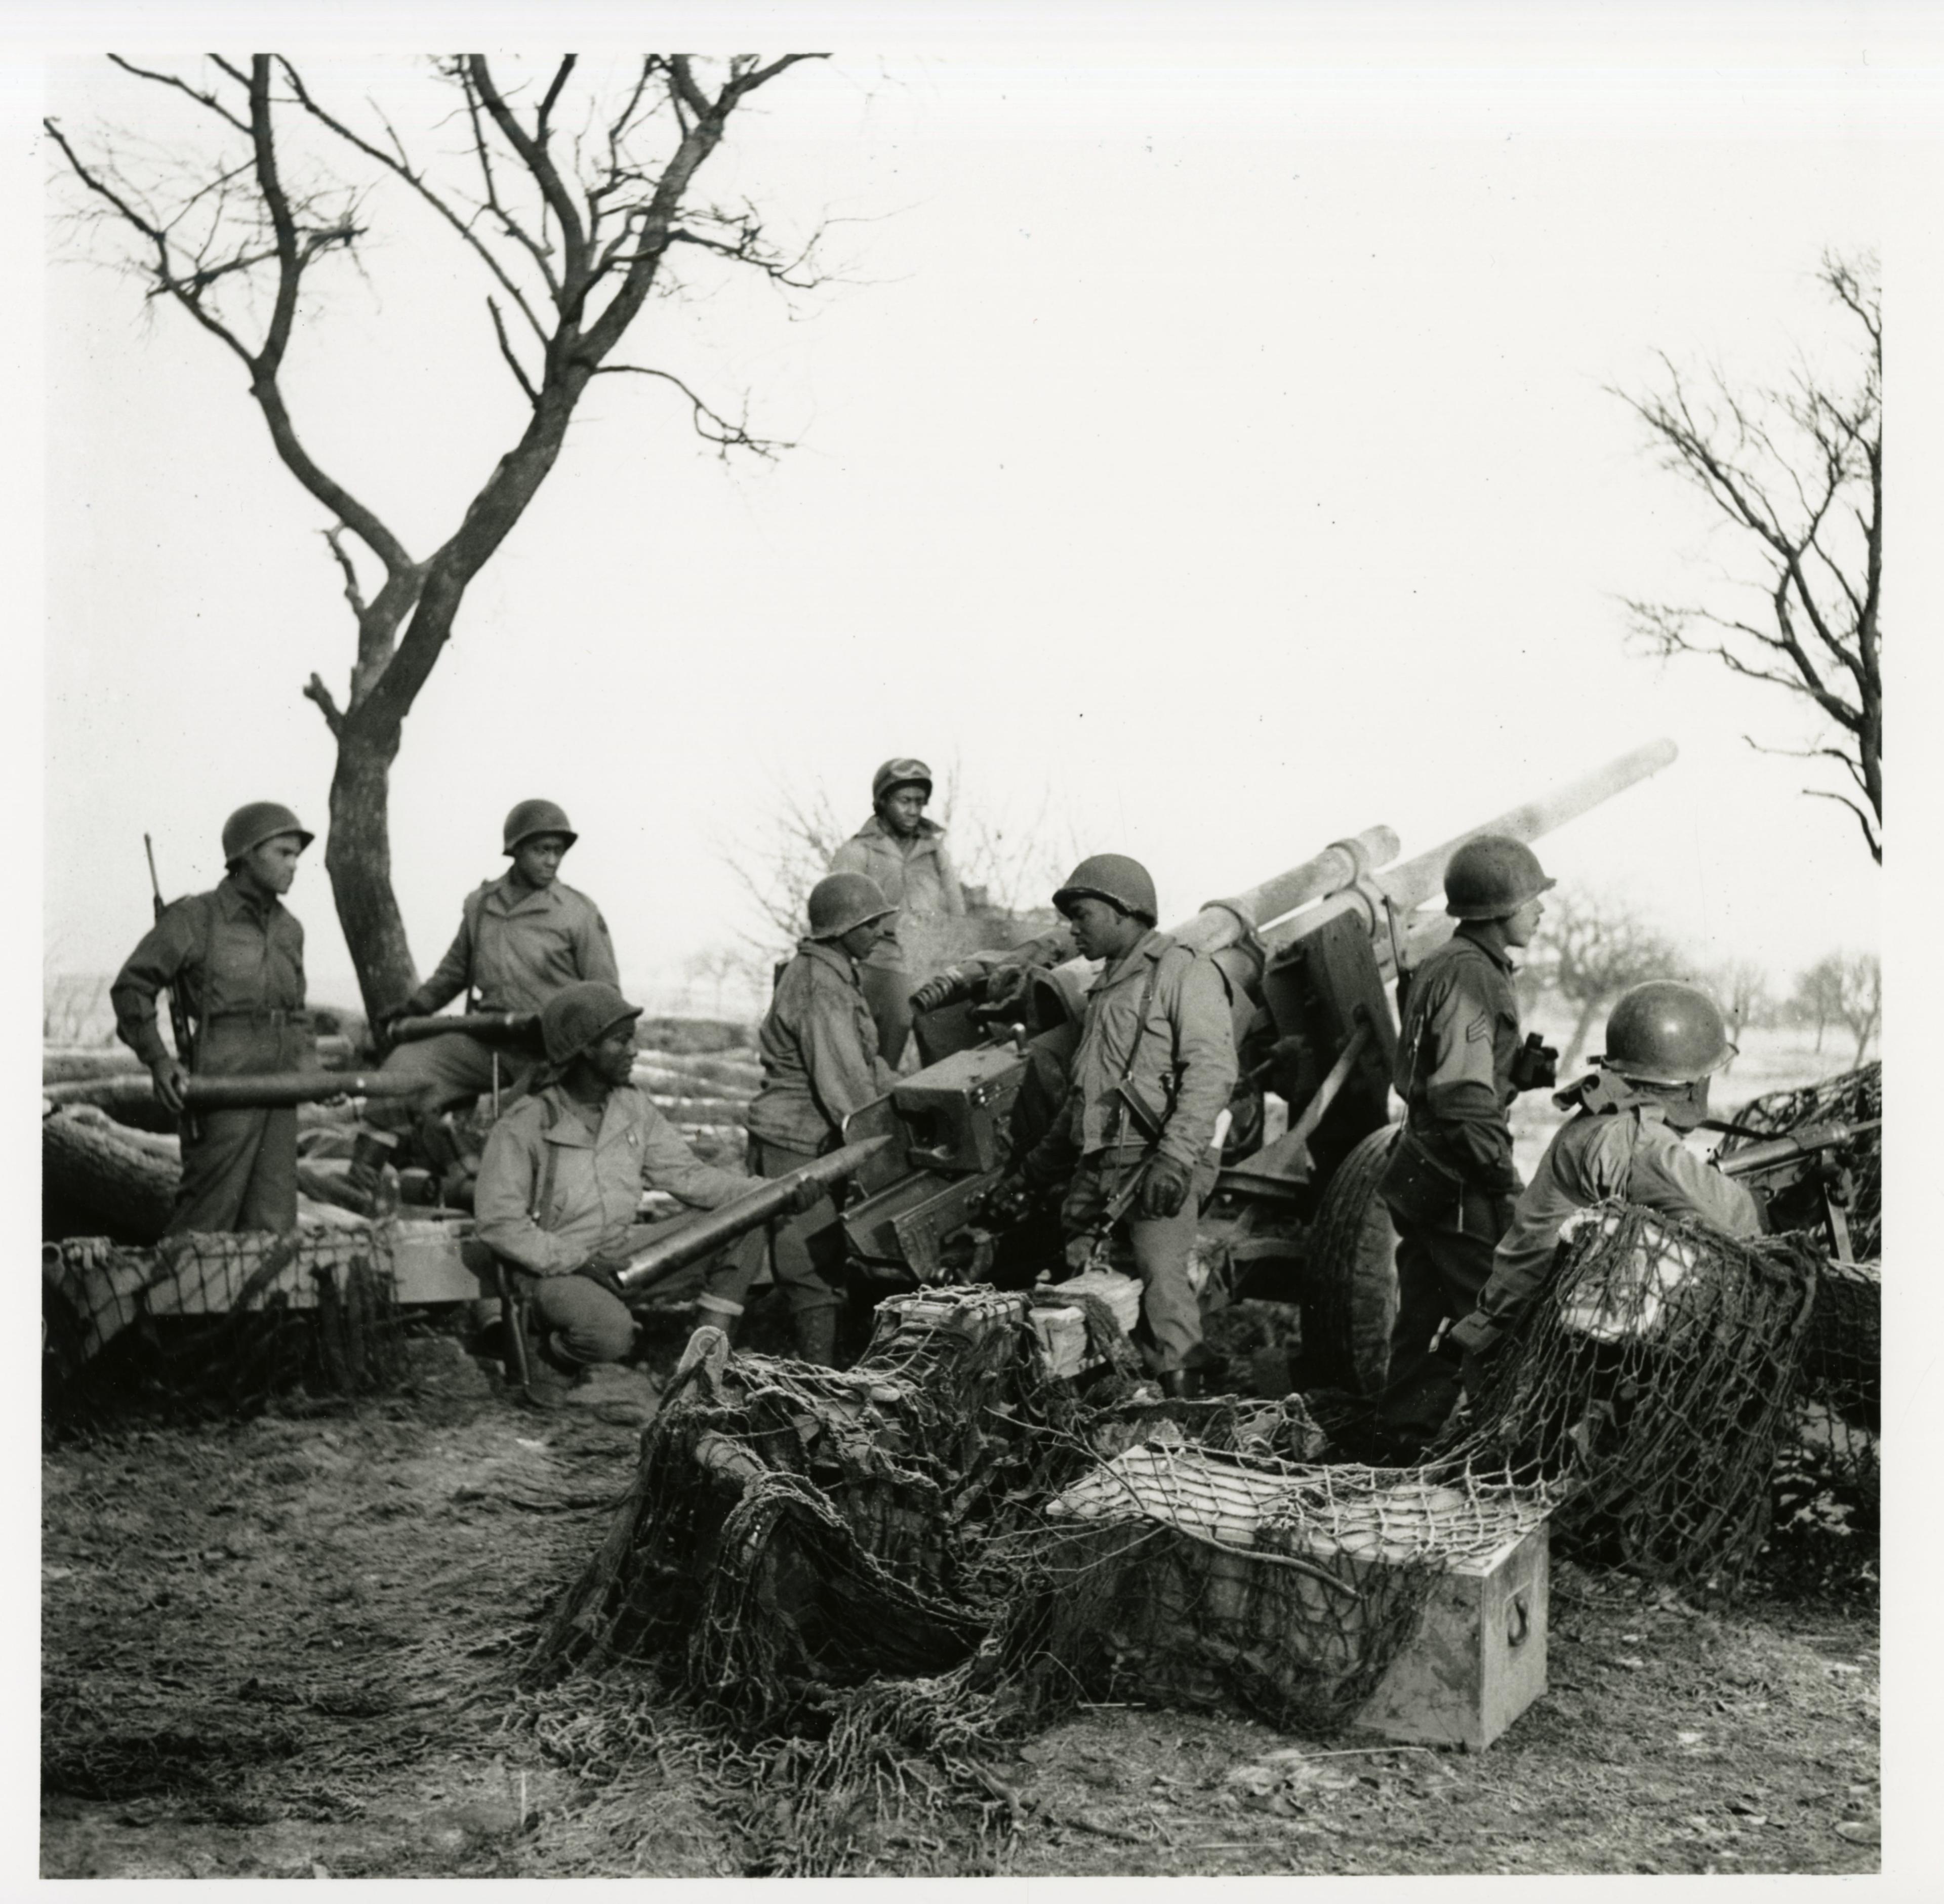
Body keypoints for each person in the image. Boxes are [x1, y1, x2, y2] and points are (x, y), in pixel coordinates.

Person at [1012, 855, 1239, 1396]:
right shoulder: (1106, 988)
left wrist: (1177, 1157)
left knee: (1163, 1281)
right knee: (1080, 1285)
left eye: (1082, 913)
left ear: (1124, 911)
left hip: (1153, 1160)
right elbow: (1083, 1098)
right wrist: (1032, 1170)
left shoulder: (1185, 970)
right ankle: (1112, 1406)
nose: (1073, 927)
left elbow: (1212, 1070)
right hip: (1101, 1165)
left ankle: (1186, 1417)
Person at [1444, 981, 1763, 1364]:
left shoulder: (1605, 1115)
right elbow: (1737, 1220)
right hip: (1529, 1354)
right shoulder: (1635, 1139)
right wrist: (1781, 1204)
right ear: (1693, 1086)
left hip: (1514, 1330)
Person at [473, 981, 776, 1384]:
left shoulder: (632, 1109)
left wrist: (770, 1192)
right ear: (584, 1050)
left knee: (744, 1222)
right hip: (552, 1272)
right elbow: (499, 1224)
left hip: (618, 1257)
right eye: (620, 1041)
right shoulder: (526, 1123)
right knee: (610, 1335)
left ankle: (700, 1369)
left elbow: (687, 1176)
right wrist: (581, 1260)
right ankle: (549, 1354)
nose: (633, 1051)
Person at [1373, 834, 1557, 1455]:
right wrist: (1504, 1181)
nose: (1541, 909)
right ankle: (1510, 1451)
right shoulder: (1475, 976)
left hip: (1424, 1169)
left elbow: (1451, 1072)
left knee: (1424, 1311)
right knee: (1501, 1309)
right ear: (1496, 906)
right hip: (1458, 1177)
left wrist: (1513, 1072)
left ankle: (1403, 1436)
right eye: (1531, 898)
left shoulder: (1450, 962)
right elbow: (1461, 1096)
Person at [346, 799, 618, 1209]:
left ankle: (489, 1191)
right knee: (403, 1068)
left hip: (552, 1053)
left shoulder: (577, 914)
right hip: (488, 1040)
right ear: (515, 850)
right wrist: (415, 1007)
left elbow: (605, 997)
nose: (551, 861)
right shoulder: (481, 905)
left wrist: (583, 1055)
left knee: (515, 1125)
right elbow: (455, 970)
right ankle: (359, 1185)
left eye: (557, 851)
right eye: (540, 850)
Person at [695, 872, 900, 1365]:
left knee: (743, 1251)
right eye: (870, 924)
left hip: (783, 1134)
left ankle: (699, 1366)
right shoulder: (822, 985)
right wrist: (884, 1145)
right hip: (798, 1143)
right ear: (841, 927)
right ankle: (818, 1382)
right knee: (810, 1259)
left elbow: (867, 1064)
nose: (879, 933)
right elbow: (846, 1085)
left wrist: (907, 1090)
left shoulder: (828, 973)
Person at [111, 802, 318, 1235]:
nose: (294, 864)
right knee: (207, 1219)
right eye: (283, 852)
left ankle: (265, 1305)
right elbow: (132, 987)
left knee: (274, 1226)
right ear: (246, 855)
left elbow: (297, 1012)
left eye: (297, 854)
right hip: (222, 1081)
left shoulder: (290, 929)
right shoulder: (196, 919)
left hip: (281, 1087)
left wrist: (312, 1072)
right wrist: (159, 1059)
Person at [828, 757, 965, 1065]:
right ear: (883, 801)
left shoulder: (934, 853)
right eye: (905, 801)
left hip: (931, 961)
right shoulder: (858, 851)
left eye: (920, 802)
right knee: (881, 1050)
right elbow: (836, 915)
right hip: (878, 960)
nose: (914, 810)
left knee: (950, 1052)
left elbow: (958, 914)